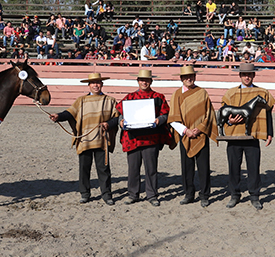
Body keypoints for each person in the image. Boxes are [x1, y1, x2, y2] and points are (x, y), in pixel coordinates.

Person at [49, 73, 119, 205]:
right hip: (85, 139)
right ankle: (85, 194)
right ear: (89, 85)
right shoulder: (81, 100)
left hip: (101, 140)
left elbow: (117, 117)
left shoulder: (110, 100)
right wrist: (58, 116)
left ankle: (106, 194)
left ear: (102, 84)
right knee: (84, 168)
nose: (96, 85)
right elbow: (70, 112)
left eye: (98, 82)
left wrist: (108, 124)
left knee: (103, 169)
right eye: (93, 83)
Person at [115, 69, 174, 206]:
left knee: (151, 169)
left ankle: (152, 195)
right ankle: (132, 194)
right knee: (133, 169)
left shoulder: (159, 97)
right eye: (142, 80)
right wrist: (120, 121)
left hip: (151, 138)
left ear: (151, 81)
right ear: (138, 81)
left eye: (147, 80)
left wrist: (160, 119)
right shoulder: (129, 97)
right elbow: (119, 112)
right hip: (133, 139)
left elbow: (166, 114)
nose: (144, 82)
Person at [221, 62, 275, 210]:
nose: (247, 77)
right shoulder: (230, 94)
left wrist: (269, 133)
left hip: (252, 137)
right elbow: (222, 115)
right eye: (244, 74)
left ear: (253, 75)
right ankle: (234, 195)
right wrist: (230, 121)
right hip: (233, 137)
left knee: (253, 167)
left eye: (249, 74)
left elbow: (268, 113)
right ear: (240, 76)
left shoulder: (262, 93)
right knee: (233, 168)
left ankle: (254, 196)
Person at [168, 65, 219, 208]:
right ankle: (189, 194)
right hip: (185, 136)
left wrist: (200, 129)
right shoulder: (176, 95)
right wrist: (185, 131)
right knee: (186, 167)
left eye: (191, 76)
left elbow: (209, 114)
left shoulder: (202, 93)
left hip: (201, 135)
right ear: (181, 78)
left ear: (195, 77)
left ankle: (205, 195)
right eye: (185, 77)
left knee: (203, 167)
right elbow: (173, 118)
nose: (188, 79)